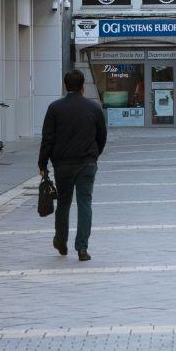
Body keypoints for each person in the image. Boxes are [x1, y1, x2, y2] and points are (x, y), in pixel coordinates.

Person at [38, 69, 107, 262]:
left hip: (63, 164)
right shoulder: (93, 108)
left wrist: (42, 163)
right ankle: (82, 248)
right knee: (85, 203)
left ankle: (61, 241)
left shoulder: (55, 108)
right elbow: (102, 136)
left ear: (65, 85)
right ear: (83, 86)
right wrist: (94, 155)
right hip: (87, 163)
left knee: (63, 203)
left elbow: (47, 138)